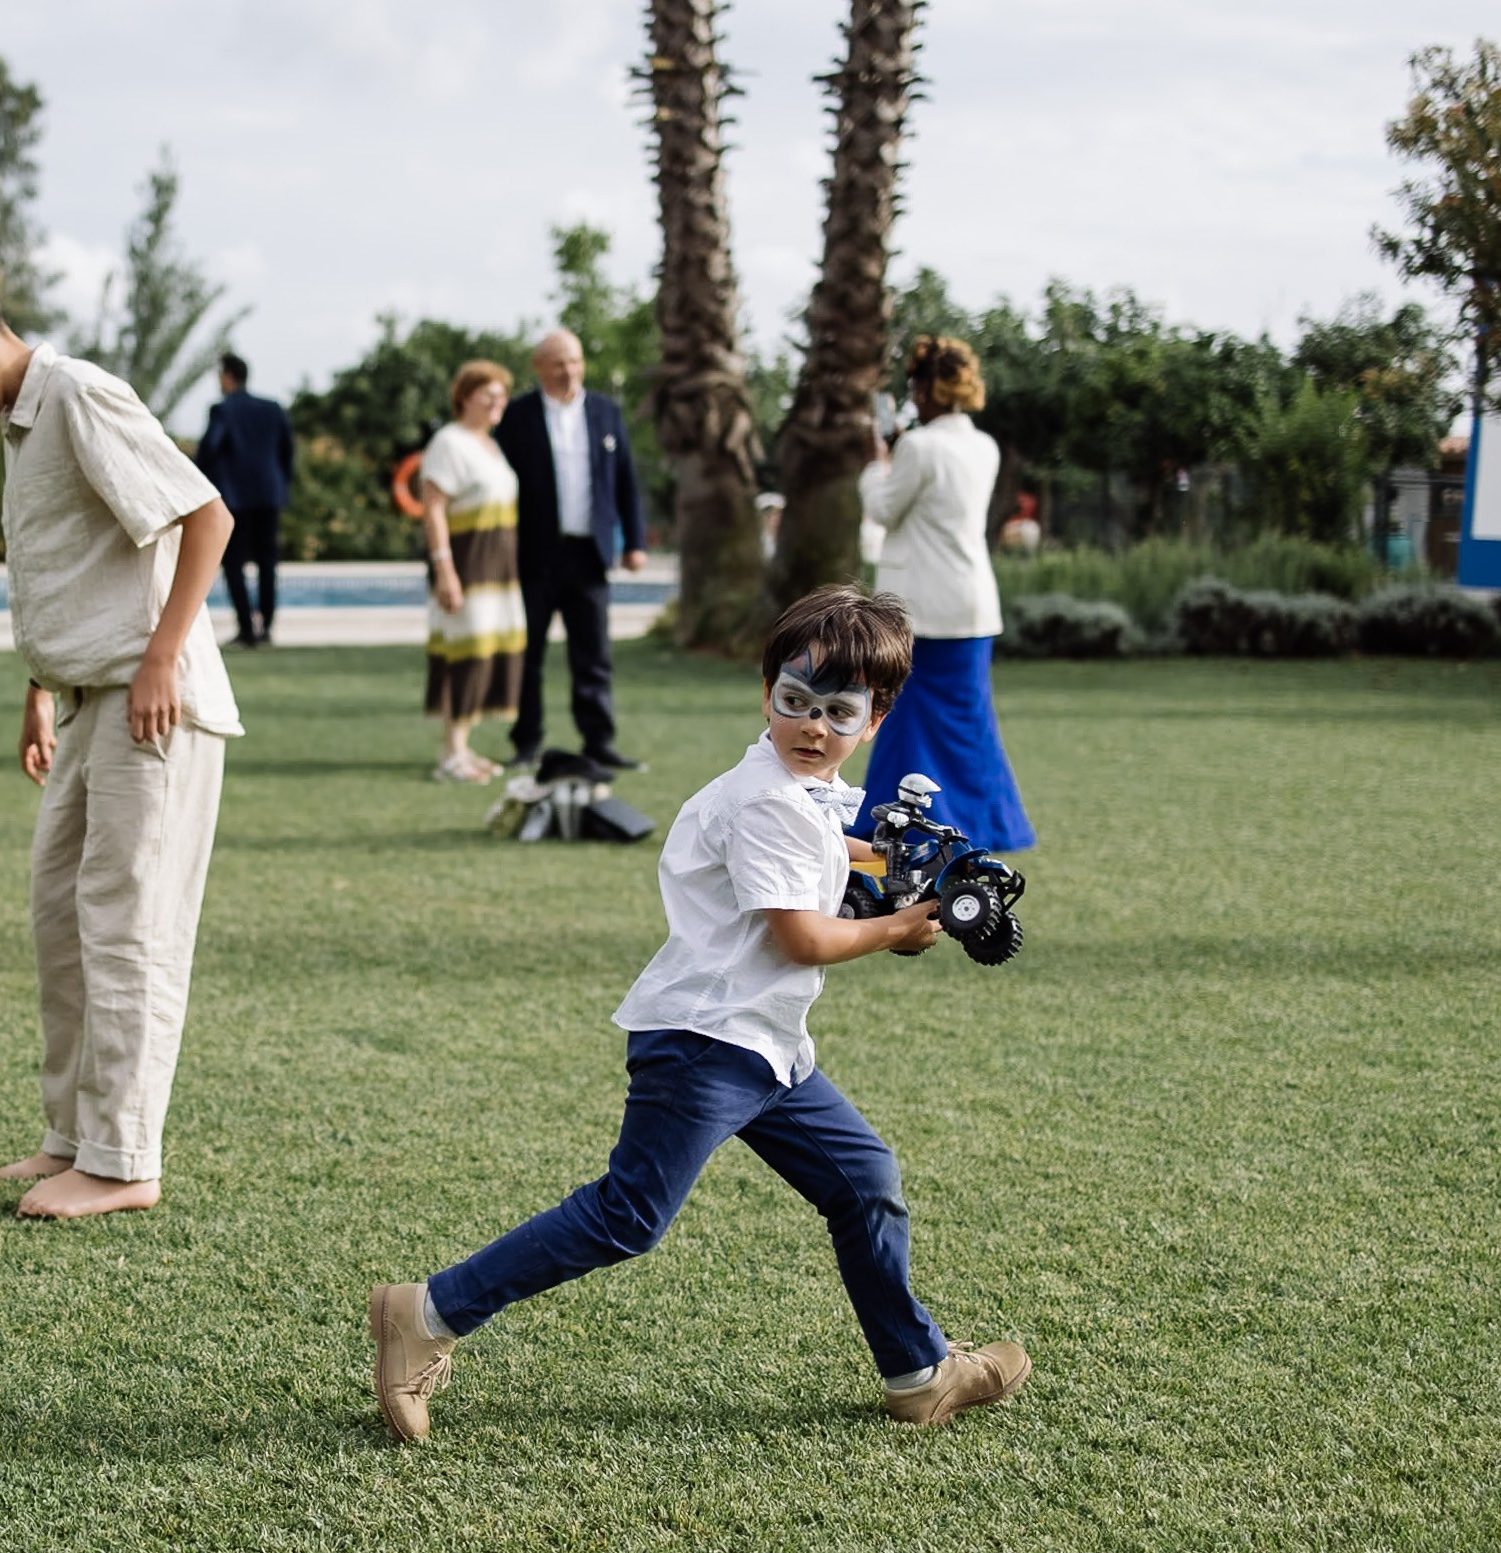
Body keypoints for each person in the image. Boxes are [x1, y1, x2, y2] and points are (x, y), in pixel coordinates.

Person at [367, 587, 1032, 1442]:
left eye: (838, 711)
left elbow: (834, 848)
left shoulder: (802, 791)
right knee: (628, 1217)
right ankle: (426, 1313)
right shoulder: (767, 801)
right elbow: (797, 938)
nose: (812, 726)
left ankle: (917, 1372)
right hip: (706, 1044)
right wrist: (897, 927)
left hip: (766, 1049)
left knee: (863, 1180)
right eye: (794, 702)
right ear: (766, 692)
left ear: (876, 718)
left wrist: (896, 872)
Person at [0, 263, 240, 1221]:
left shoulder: (77, 393)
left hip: (147, 702)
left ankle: (125, 1163)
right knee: (60, 922)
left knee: (127, 924)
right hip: (86, 704)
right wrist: (39, 692)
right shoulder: (19, 425)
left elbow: (208, 517)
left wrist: (164, 658)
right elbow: (72, 567)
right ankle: (72, 1139)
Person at [855, 336, 1035, 852]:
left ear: (930, 388)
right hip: (972, 602)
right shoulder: (984, 445)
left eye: (916, 386)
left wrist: (877, 461)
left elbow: (886, 508)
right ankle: (991, 824)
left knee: (904, 714)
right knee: (970, 720)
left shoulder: (917, 446)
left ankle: (888, 821)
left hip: (922, 606)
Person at [494, 328, 648, 774]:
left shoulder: (605, 411)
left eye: (575, 361)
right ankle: (526, 742)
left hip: (589, 554)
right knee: (527, 654)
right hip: (534, 554)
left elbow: (625, 483)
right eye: (559, 362)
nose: (569, 371)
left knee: (593, 654)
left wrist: (634, 542)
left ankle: (599, 742)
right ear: (539, 367)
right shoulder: (518, 416)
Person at [418, 360, 529, 783]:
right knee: (461, 656)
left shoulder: (490, 445)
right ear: (465, 396)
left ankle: (462, 747)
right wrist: (444, 568)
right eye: (489, 394)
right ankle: (451, 754)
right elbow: (432, 506)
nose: (498, 401)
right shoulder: (449, 442)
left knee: (483, 653)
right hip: (466, 565)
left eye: (502, 394)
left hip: (497, 570)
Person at [194, 352, 296, 647]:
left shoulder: (223, 411)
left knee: (234, 563)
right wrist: (281, 484)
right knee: (267, 562)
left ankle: (246, 629)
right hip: (269, 494)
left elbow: (209, 449)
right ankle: (266, 627)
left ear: (228, 377)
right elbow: (287, 452)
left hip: (234, 499)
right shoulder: (273, 408)